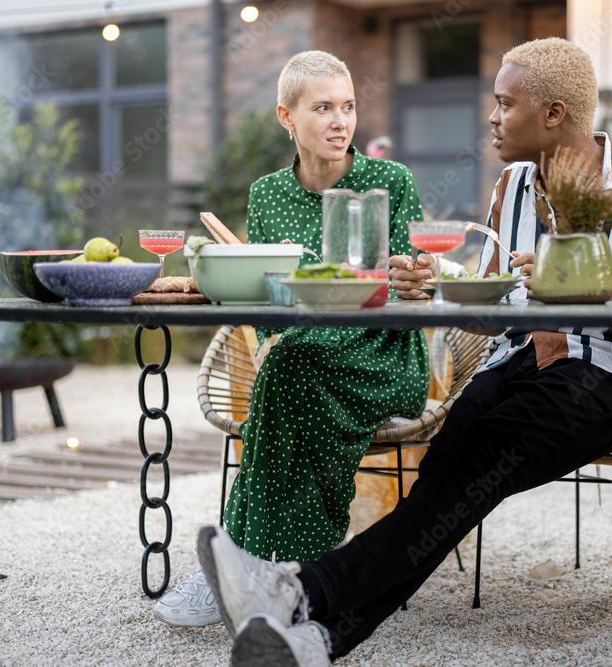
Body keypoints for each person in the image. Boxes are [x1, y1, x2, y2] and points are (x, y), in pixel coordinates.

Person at [196, 37, 612, 666]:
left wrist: (590, 294)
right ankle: (317, 639)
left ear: (553, 115)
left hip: (608, 378)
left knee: (471, 463)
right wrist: (433, 282)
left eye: (503, 104)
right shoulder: (511, 188)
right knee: (444, 478)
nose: (490, 117)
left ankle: (299, 589)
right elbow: (488, 316)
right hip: (512, 363)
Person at [152, 50, 430, 627]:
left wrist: (413, 278)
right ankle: (295, 569)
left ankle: (237, 563)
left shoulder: (389, 181)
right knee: (291, 369)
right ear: (286, 116)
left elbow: (412, 291)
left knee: (285, 373)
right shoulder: (267, 195)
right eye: (323, 107)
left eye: (348, 107)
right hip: (302, 354)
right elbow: (269, 305)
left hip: (383, 356)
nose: (340, 121)